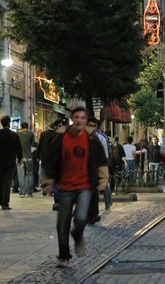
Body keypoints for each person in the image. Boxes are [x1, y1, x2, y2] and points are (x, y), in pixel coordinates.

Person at [42, 107, 108, 267]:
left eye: (82, 118)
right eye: (76, 117)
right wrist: (49, 182)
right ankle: (64, 256)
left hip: (85, 186)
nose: (79, 120)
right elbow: (50, 159)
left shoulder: (92, 140)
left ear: (86, 120)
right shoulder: (60, 137)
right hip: (65, 186)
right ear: (72, 119)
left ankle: (77, 235)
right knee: (62, 222)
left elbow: (101, 162)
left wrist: (103, 181)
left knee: (80, 218)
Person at [85, 117, 112, 221]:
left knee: (93, 193)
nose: (92, 128)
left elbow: (104, 157)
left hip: (94, 170)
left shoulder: (100, 139)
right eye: (90, 125)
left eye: (94, 126)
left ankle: (92, 214)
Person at [0, 115, 22, 210]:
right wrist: (20, 158)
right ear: (9, 123)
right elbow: (18, 148)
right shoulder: (14, 135)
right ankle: (5, 203)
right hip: (9, 162)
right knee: (7, 183)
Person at [17, 122, 36, 197]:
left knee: (21, 174)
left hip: (20, 157)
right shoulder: (31, 133)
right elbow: (33, 144)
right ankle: (29, 192)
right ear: (28, 127)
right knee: (29, 174)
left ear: (21, 127)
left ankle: (22, 192)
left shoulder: (17, 134)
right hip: (29, 157)